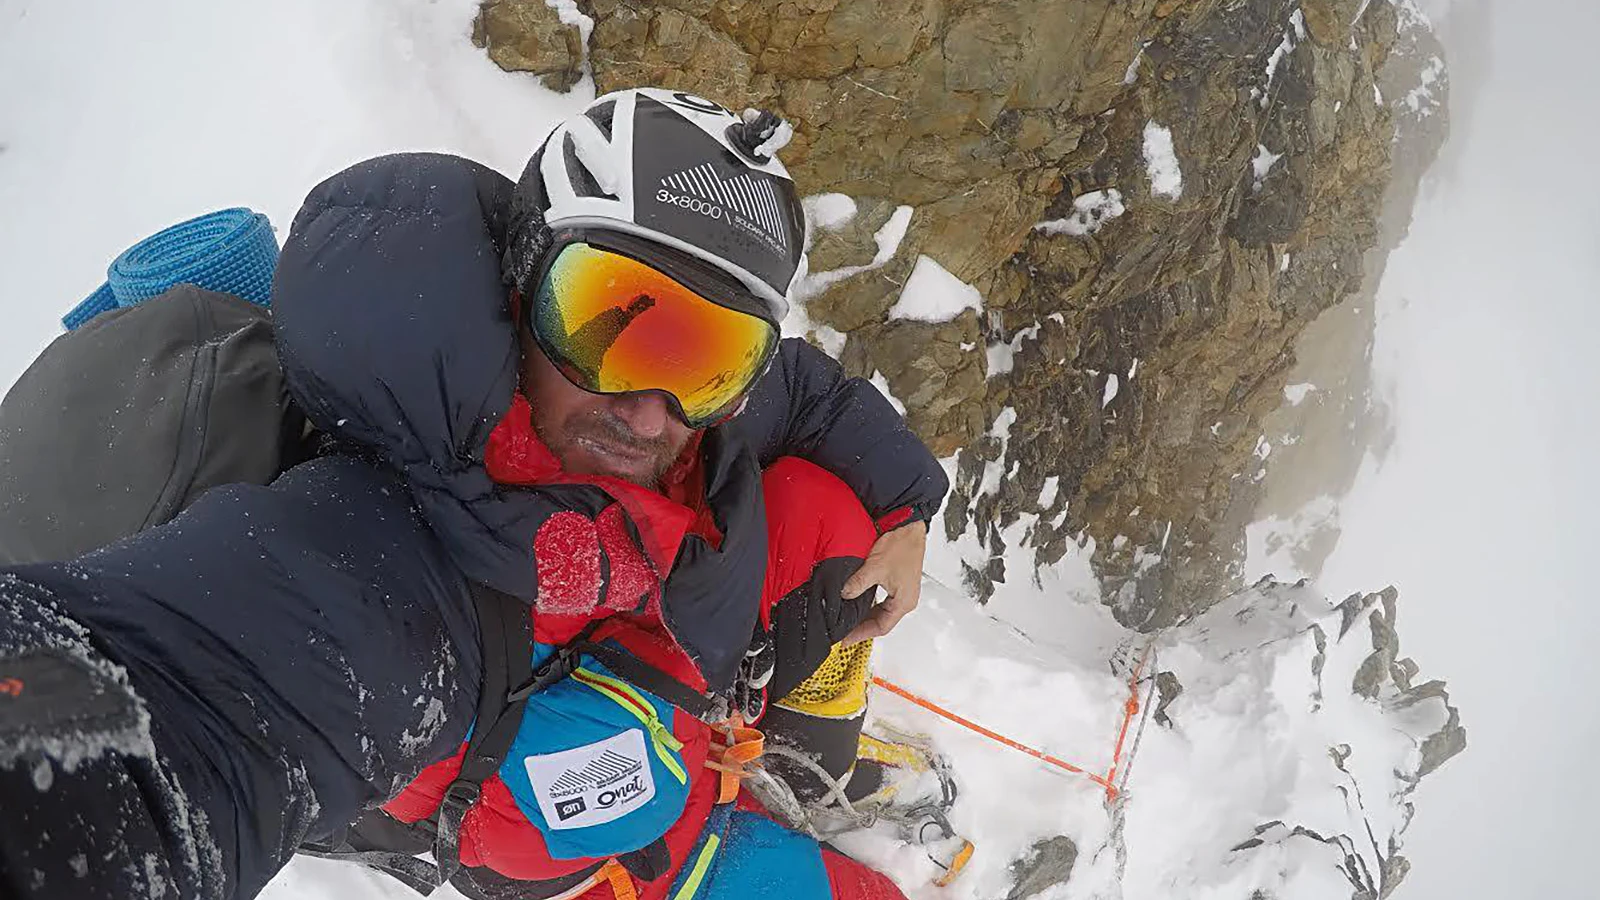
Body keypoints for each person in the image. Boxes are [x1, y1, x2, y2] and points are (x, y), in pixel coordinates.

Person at [0, 87, 947, 900]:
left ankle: (806, 778)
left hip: (652, 663)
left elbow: (807, 391)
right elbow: (184, 705)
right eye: (607, 320)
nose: (651, 414)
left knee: (831, 515)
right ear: (522, 276)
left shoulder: (690, 406)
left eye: (709, 357)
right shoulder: (383, 548)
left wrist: (908, 513)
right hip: (567, 804)